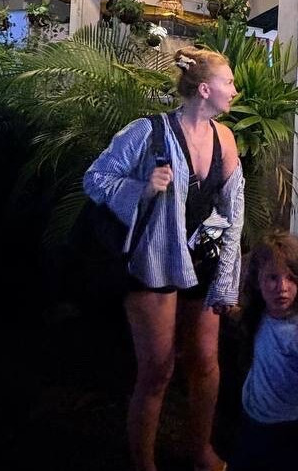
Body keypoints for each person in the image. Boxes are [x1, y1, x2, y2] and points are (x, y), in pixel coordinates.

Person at [83, 46, 243, 471]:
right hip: (154, 263)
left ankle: (200, 450)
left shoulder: (225, 139)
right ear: (205, 89)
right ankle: (144, 463)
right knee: (157, 370)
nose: (234, 90)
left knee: (205, 363)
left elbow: (234, 211)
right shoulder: (147, 132)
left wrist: (227, 280)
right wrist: (142, 189)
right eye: (228, 82)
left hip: (202, 261)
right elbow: (95, 178)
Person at [230, 231, 298, 471]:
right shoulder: (261, 313)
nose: (282, 288)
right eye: (272, 277)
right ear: (258, 280)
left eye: (291, 278)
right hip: (252, 419)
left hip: (285, 431)